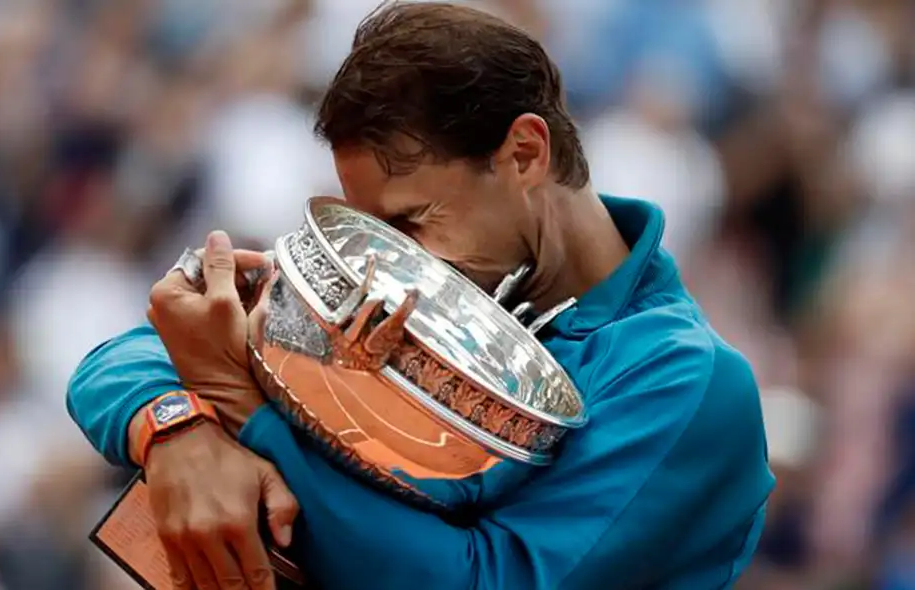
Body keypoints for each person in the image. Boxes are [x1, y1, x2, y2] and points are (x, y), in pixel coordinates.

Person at [67, 3, 774, 589]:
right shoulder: (424, 280)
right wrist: (179, 433)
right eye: (376, 232)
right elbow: (119, 361)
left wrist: (248, 412)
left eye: (411, 222)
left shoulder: (690, 382)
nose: (390, 263)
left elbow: (483, 582)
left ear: (524, 154)